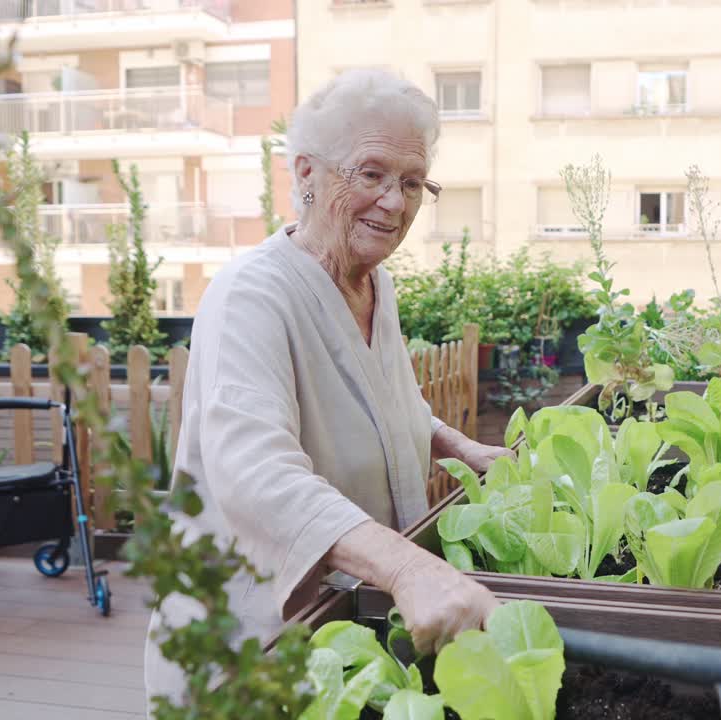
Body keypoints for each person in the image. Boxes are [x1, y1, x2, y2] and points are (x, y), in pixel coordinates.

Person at [144, 68, 506, 705]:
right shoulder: (250, 296)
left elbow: (394, 403)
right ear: (306, 173)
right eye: (371, 174)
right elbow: (257, 473)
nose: (395, 202)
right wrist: (407, 565)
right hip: (251, 646)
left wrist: (461, 448)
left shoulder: (374, 285)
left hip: (343, 631)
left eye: (413, 182)